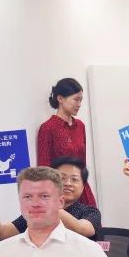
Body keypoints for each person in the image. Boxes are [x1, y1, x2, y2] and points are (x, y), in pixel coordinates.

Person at [0, 156, 102, 242]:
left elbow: (82, 230)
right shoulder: (37, 212)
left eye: (74, 179)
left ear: (83, 186)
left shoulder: (90, 212)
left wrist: (51, 205)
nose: (68, 183)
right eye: (62, 178)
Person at [37, 77, 95, 207]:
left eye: (81, 100)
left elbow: (82, 163)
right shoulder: (48, 128)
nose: (79, 104)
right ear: (60, 99)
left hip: (81, 189)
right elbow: (44, 169)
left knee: (91, 219)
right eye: (76, 99)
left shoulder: (80, 126)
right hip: (60, 192)